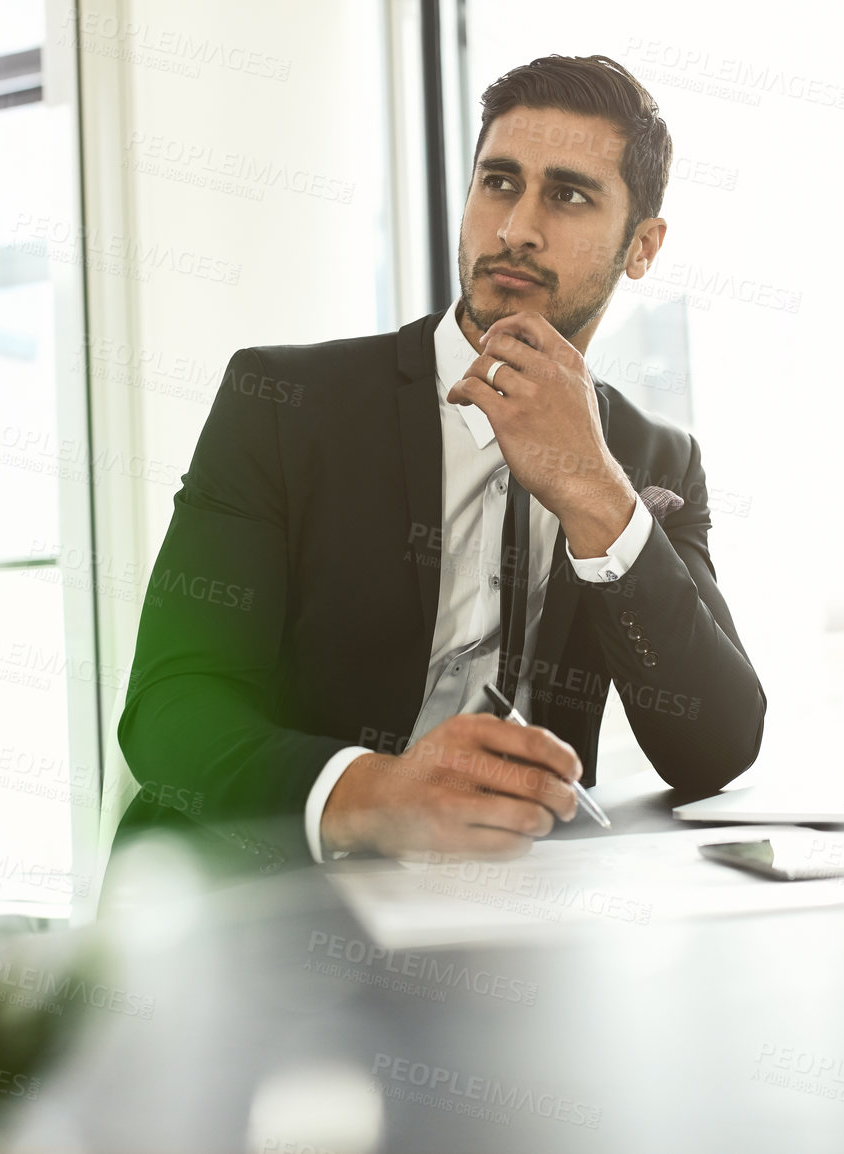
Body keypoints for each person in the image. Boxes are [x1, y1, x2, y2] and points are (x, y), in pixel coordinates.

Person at [114, 54, 765, 873]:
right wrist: (376, 800)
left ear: (642, 246)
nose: (514, 229)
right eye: (498, 182)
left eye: (567, 195)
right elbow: (167, 708)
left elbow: (717, 745)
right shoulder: (281, 400)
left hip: (512, 919)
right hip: (254, 900)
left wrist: (596, 494)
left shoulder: (654, 459)